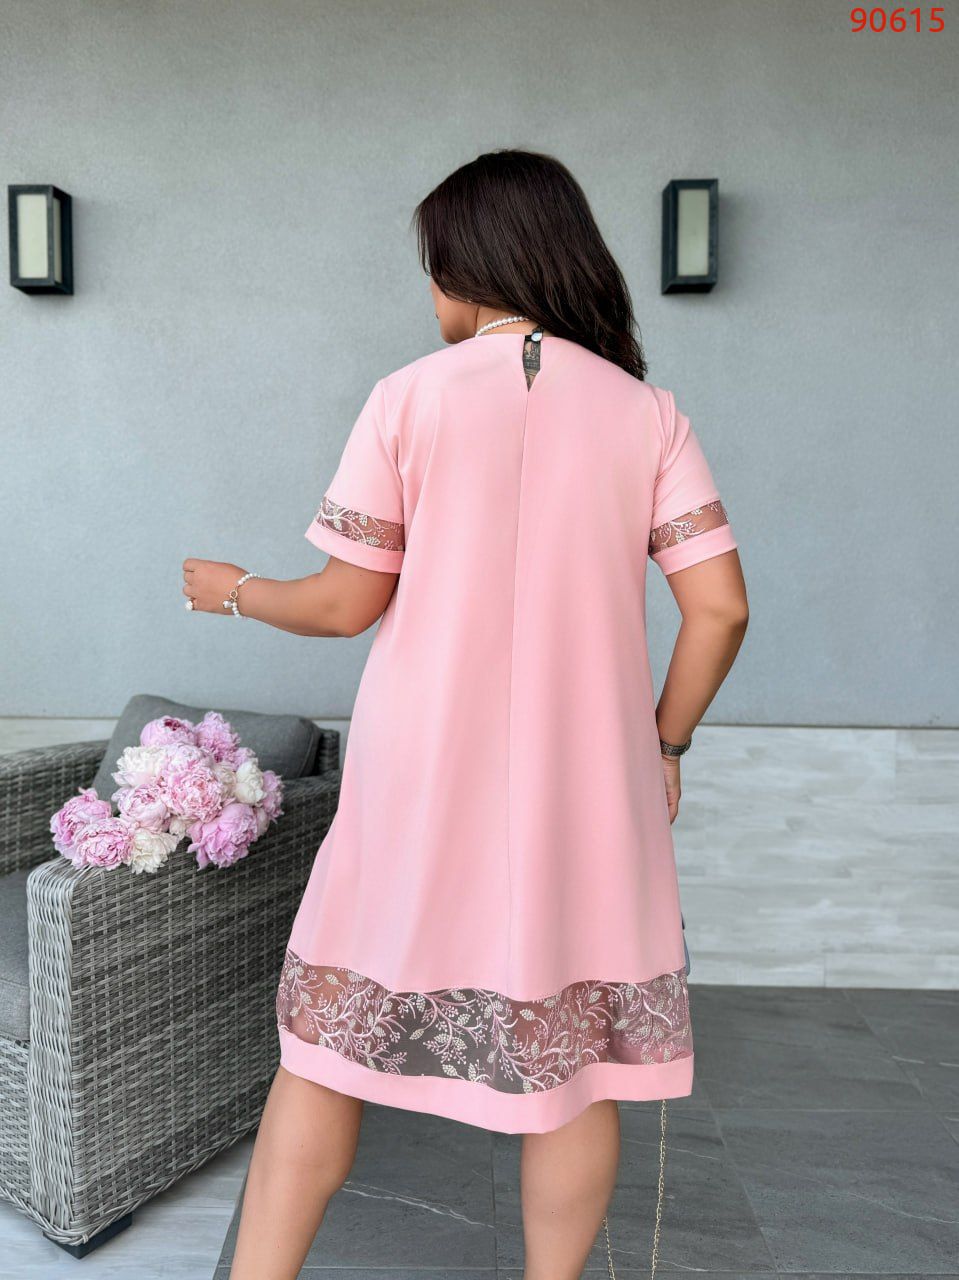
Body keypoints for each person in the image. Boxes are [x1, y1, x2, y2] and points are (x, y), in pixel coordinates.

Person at [182, 149, 749, 1280]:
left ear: (466, 265)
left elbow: (345, 602)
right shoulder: (646, 414)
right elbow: (721, 609)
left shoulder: (409, 397)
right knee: (576, 1068)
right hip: (588, 788)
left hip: (417, 778)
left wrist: (235, 589)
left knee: (325, 1048)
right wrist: (662, 742)